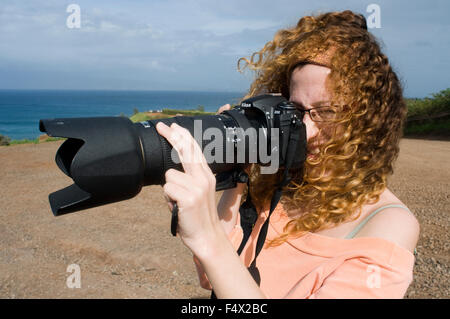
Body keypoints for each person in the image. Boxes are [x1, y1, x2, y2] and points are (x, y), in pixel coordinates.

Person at [155, 10, 420, 299]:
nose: (306, 132)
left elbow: (216, 256)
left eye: (327, 112)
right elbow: (213, 278)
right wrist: (234, 176)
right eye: (296, 111)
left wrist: (208, 237)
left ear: (369, 121)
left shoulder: (389, 225)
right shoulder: (283, 185)